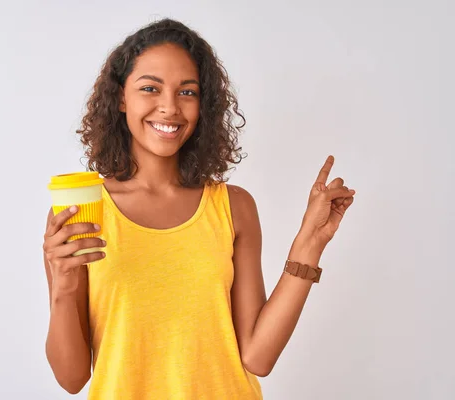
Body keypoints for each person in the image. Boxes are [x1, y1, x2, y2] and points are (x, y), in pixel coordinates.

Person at [42, 18, 356, 399]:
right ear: (121, 98)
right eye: (150, 88)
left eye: (187, 92)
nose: (170, 107)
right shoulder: (82, 212)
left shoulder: (233, 206)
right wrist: (63, 285)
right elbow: (71, 378)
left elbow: (258, 357)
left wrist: (311, 240)